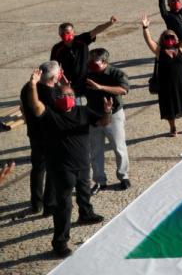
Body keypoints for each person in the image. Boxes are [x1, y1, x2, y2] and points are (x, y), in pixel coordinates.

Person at [22, 68, 111, 258]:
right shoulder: (50, 113)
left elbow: (103, 122)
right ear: (56, 98)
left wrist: (108, 112)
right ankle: (60, 242)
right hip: (61, 167)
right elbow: (35, 105)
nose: (67, 97)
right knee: (64, 206)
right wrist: (32, 85)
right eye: (62, 95)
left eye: (70, 94)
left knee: (84, 191)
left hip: (82, 163)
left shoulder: (83, 111)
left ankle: (86, 214)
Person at [141, 13, 182, 136]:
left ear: (177, 38)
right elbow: (149, 41)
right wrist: (145, 28)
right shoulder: (159, 51)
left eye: (172, 36)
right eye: (166, 37)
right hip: (165, 84)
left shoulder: (181, 49)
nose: (169, 39)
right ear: (162, 39)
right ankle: (173, 128)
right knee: (168, 106)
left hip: (181, 82)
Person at [83, 49, 130, 191]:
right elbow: (77, 90)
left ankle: (123, 176)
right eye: (89, 60)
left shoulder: (116, 73)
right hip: (94, 115)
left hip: (113, 115)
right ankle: (99, 181)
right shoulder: (87, 73)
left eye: (94, 61)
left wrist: (100, 87)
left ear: (104, 62)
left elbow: (124, 89)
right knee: (96, 150)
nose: (90, 63)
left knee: (119, 147)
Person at [19, 61, 60, 216]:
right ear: (54, 77)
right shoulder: (53, 94)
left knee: (37, 169)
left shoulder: (28, 88)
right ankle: (49, 204)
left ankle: (36, 204)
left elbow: (22, 107)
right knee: (52, 170)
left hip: (34, 135)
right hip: (51, 138)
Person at [51, 16, 118, 99]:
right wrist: (61, 81)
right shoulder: (57, 48)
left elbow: (96, 31)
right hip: (72, 84)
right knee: (76, 106)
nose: (64, 35)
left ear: (73, 32)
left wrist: (109, 23)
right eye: (62, 33)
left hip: (89, 80)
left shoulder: (81, 40)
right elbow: (54, 66)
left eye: (67, 32)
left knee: (94, 102)